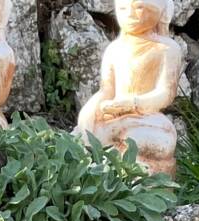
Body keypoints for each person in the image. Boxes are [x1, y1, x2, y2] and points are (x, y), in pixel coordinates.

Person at [76, 0, 183, 175]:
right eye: (123, 8)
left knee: (152, 141)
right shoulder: (114, 49)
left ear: (158, 10)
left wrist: (132, 104)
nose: (130, 14)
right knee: (79, 137)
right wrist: (88, 115)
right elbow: (107, 91)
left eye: (139, 8)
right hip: (114, 117)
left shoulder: (167, 49)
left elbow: (165, 94)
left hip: (148, 120)